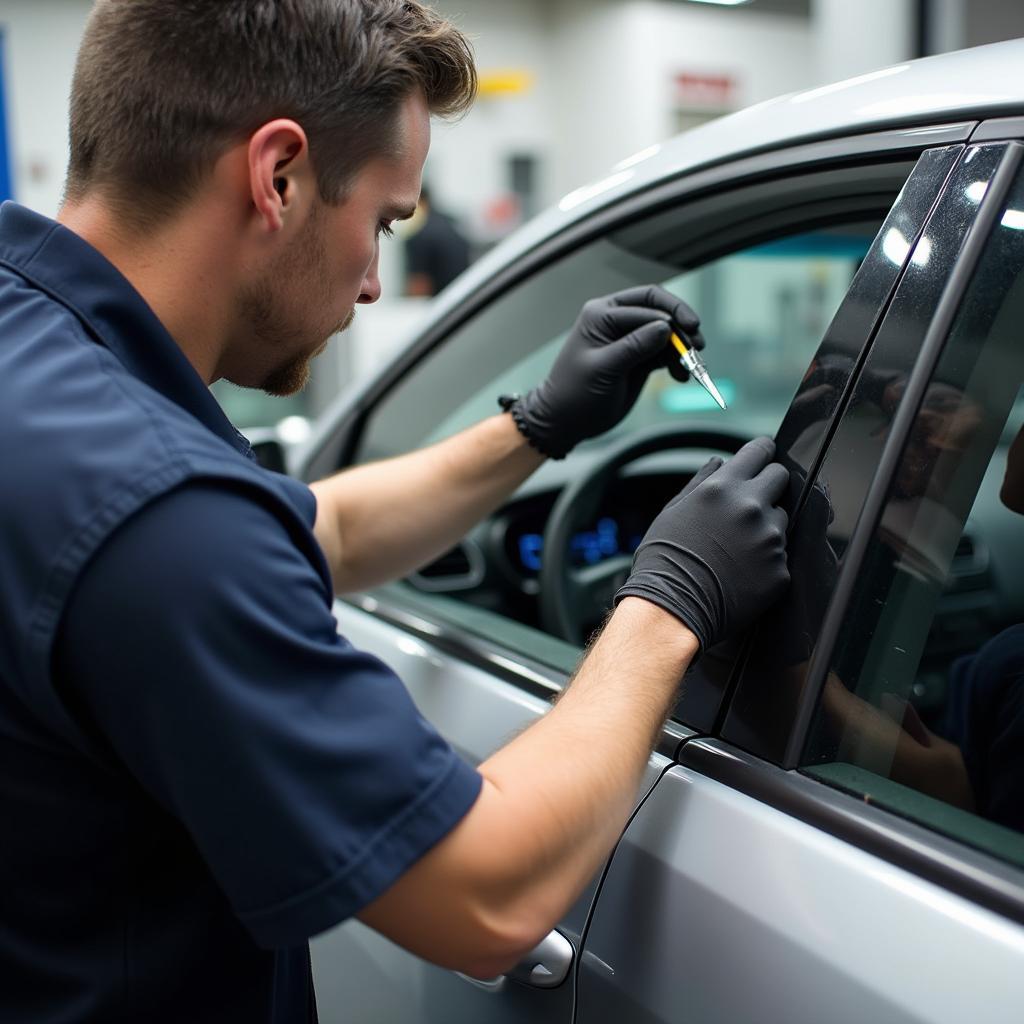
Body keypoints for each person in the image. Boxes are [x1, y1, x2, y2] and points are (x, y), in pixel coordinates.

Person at [0, 3, 791, 1021]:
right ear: (276, 176)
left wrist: (537, 426)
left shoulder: (43, 360)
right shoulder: (159, 517)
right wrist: (666, 603)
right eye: (380, 220)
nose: (377, 282)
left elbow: (316, 531)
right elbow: (489, 893)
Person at [403, 185, 471, 296]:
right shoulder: (451, 223)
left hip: (441, 303)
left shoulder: (420, 232)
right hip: (463, 296)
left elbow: (419, 285)